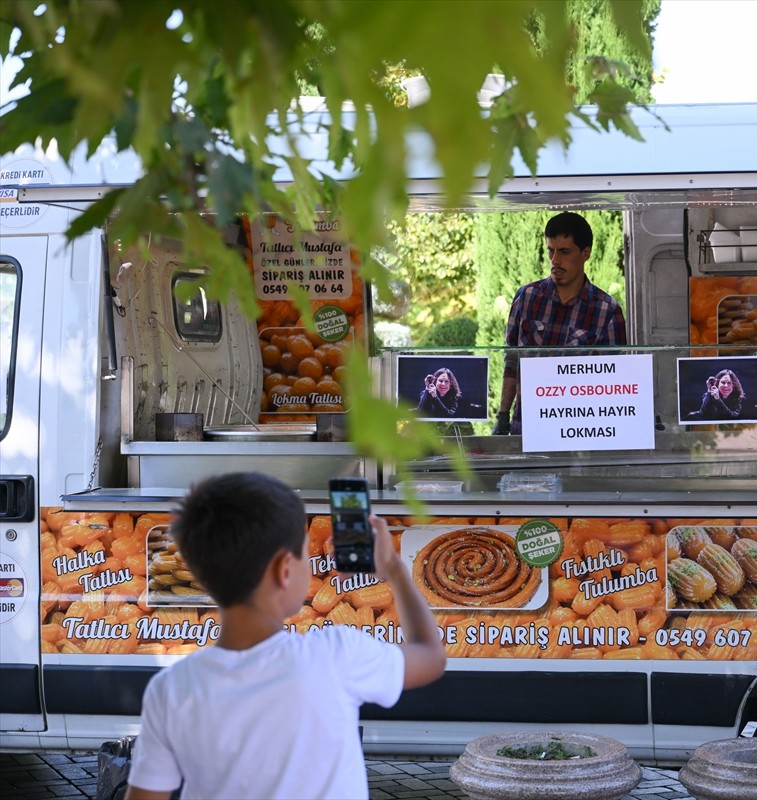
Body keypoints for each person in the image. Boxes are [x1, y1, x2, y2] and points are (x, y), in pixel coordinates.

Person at [124, 472, 447, 800]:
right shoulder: (337, 656)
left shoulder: (171, 689)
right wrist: (394, 569)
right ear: (285, 570)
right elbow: (430, 655)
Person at [493, 212, 627, 434]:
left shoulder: (607, 311)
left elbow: (613, 382)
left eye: (564, 251)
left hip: (578, 431)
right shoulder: (527, 297)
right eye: (550, 251)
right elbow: (512, 360)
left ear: (586, 253)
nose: (555, 260)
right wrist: (503, 415)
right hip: (525, 427)